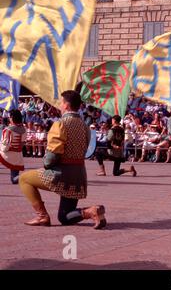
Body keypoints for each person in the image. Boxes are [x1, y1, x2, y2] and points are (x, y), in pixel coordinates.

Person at [19, 91, 106, 229]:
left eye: (61, 102)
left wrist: (46, 163)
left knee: (24, 179)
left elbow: (52, 156)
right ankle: (91, 211)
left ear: (66, 105)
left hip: (61, 174)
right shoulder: (85, 127)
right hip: (78, 176)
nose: (60, 105)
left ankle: (42, 216)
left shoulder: (61, 124)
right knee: (65, 217)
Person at [0, 110, 26, 184]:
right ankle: (22, 177)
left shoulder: (7, 130)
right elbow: (23, 143)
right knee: (14, 179)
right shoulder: (24, 129)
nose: (9, 118)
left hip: (8, 154)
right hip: (18, 156)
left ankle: (25, 177)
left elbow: (5, 145)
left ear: (12, 118)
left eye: (10, 117)